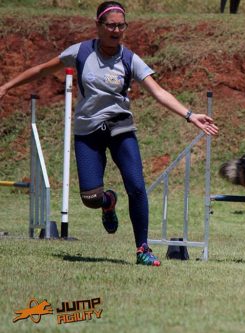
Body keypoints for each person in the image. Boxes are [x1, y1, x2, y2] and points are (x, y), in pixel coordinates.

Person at [0, 1, 218, 267]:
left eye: (121, 26)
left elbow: (158, 91)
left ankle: (143, 249)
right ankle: (108, 202)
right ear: (98, 26)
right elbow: (42, 69)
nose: (116, 30)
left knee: (137, 186)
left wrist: (190, 115)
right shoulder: (80, 52)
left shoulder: (129, 59)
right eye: (111, 25)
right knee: (90, 199)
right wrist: (6, 86)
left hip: (120, 128)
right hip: (87, 131)